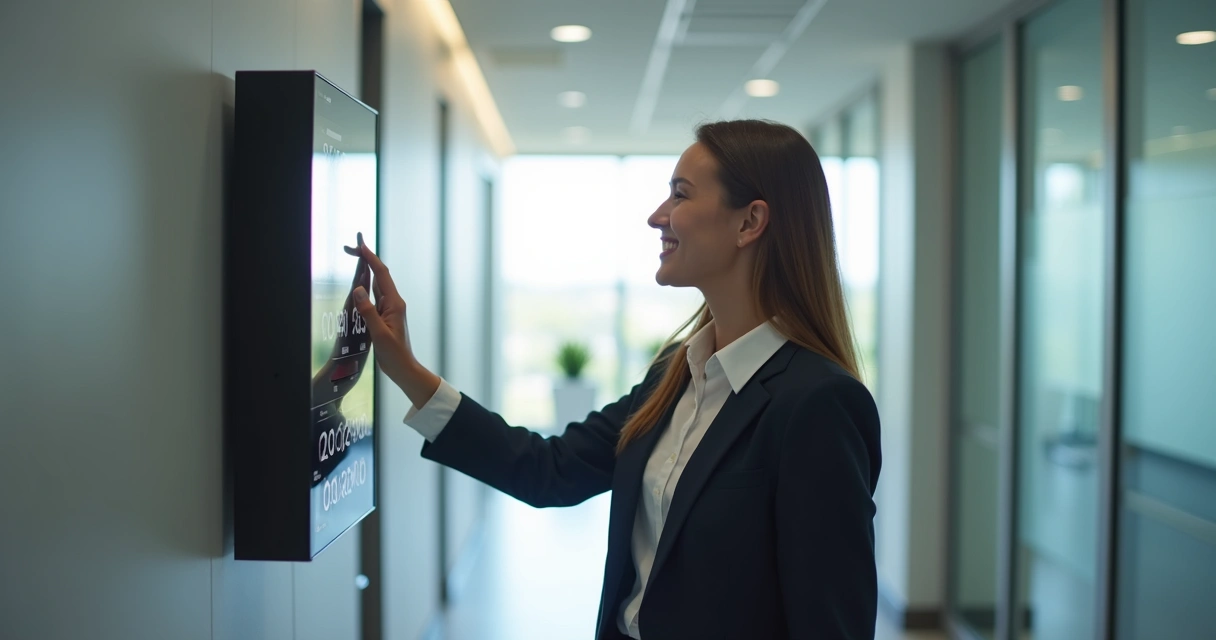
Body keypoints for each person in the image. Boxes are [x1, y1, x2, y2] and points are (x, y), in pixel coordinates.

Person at [351, 119, 882, 640]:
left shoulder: (818, 403)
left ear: (749, 222)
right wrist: (408, 373)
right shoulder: (675, 373)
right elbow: (549, 470)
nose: (658, 216)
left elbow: (831, 623)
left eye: (680, 195)